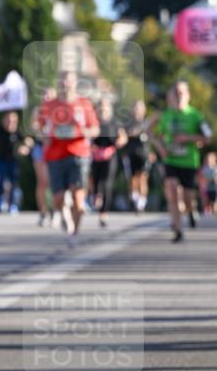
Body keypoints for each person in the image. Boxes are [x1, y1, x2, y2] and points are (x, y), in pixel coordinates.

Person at [37, 70, 100, 247]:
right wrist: (46, 135)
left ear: (75, 83)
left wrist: (81, 131)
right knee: (58, 198)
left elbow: (95, 128)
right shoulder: (49, 105)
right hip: (55, 155)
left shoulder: (84, 104)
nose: (65, 85)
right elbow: (40, 127)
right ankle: (63, 214)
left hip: (78, 153)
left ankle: (74, 232)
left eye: (68, 81)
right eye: (62, 81)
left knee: (78, 200)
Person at [153, 80, 212, 242]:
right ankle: (178, 229)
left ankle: (192, 211)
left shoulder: (196, 116)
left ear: (188, 96)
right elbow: (154, 134)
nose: (179, 97)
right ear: (170, 96)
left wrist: (188, 138)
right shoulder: (166, 115)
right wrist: (161, 148)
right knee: (172, 190)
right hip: (171, 160)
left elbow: (208, 137)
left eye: (182, 93)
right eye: (176, 93)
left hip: (189, 162)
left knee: (187, 197)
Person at [90, 98, 127, 226]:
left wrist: (115, 146)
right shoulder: (93, 122)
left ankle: (103, 213)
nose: (103, 109)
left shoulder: (114, 122)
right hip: (94, 156)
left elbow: (123, 137)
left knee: (106, 184)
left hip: (109, 156)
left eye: (105, 106)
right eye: (100, 106)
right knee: (95, 183)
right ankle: (95, 196)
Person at [0, 110, 32, 214]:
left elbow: (29, 141)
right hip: (1, 159)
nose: (10, 122)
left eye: (13, 120)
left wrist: (25, 147)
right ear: (3, 120)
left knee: (14, 182)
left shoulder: (18, 132)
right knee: (1, 181)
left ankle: (14, 204)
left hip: (14, 161)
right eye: (8, 120)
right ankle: (1, 202)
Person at [30, 87, 56, 226]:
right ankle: (43, 212)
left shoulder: (58, 111)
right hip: (41, 148)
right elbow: (34, 127)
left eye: (49, 96)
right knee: (42, 181)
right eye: (44, 95)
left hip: (55, 149)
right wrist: (42, 130)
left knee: (53, 182)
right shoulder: (38, 111)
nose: (46, 98)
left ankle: (54, 211)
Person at [123, 99, 152, 213]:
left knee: (143, 178)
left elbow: (152, 137)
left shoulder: (147, 122)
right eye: (135, 108)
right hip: (130, 153)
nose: (136, 110)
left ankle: (142, 203)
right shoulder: (128, 123)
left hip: (144, 154)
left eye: (139, 108)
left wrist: (152, 152)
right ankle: (135, 199)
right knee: (132, 179)